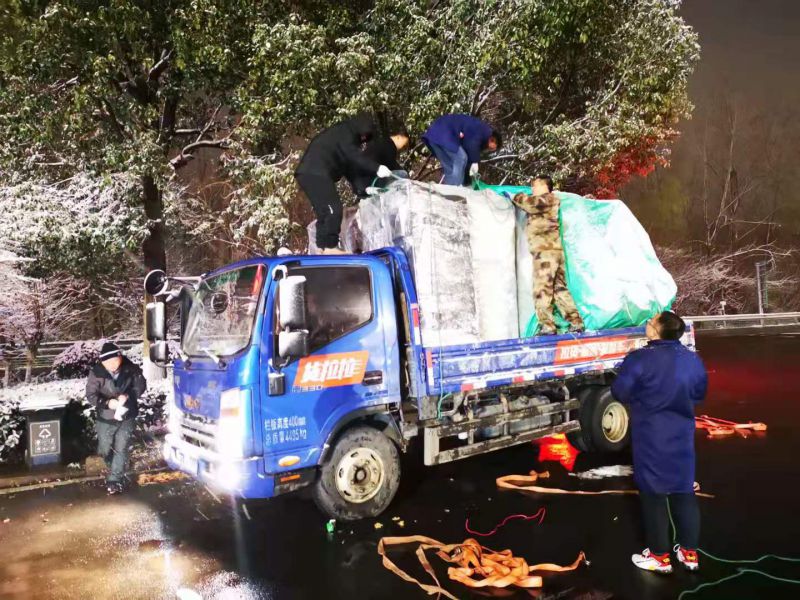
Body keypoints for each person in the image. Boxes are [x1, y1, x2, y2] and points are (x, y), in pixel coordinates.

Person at [611, 311, 708, 574]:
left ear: (658, 331)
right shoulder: (692, 359)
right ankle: (689, 553)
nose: (647, 323)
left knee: (653, 495)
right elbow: (699, 393)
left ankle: (659, 557)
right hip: (681, 434)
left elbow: (620, 391)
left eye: (651, 321)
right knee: (683, 490)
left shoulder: (640, 359)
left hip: (651, 436)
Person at [295, 114, 393, 254]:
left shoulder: (345, 143)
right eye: (364, 136)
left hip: (311, 173)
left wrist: (365, 189)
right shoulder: (344, 133)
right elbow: (354, 157)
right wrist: (377, 168)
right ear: (361, 128)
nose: (363, 140)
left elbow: (351, 171)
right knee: (333, 209)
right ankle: (330, 248)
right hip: (315, 172)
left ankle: (322, 248)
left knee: (325, 212)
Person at [511, 175, 584, 335]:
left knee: (541, 288)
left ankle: (547, 326)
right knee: (559, 289)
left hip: (545, 253)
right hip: (553, 251)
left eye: (535, 185)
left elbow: (527, 203)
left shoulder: (547, 199)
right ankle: (575, 322)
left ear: (544, 186)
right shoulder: (549, 201)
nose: (532, 189)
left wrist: (514, 195)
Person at [85, 341, 147, 495]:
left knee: (121, 447)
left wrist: (128, 395)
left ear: (120, 357)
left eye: (114, 361)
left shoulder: (131, 369)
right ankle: (116, 465)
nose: (112, 365)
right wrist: (107, 403)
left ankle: (115, 480)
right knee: (105, 449)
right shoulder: (97, 372)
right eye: (107, 363)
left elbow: (140, 386)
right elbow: (91, 395)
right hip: (106, 417)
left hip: (127, 415)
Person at [422, 114, 501, 185]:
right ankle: (455, 189)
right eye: (492, 148)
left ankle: (449, 190)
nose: (490, 149)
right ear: (492, 139)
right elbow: (471, 148)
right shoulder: (483, 131)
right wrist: (467, 173)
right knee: (461, 158)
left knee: (450, 167)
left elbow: (468, 147)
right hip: (444, 132)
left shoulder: (481, 133)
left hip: (433, 136)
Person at [348, 128, 410, 199]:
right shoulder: (390, 146)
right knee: (403, 174)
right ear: (398, 137)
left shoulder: (381, 141)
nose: (403, 146)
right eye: (404, 144)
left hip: (359, 187)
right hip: (371, 181)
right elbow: (392, 166)